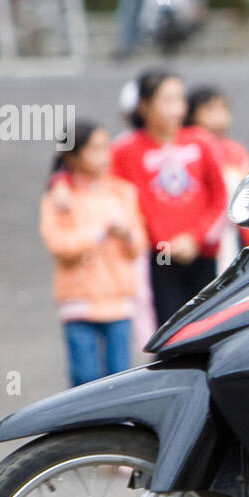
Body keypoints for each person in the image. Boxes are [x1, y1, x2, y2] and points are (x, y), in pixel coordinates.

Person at [111, 70, 227, 327]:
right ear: (144, 106)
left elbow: (220, 196)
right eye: (167, 100)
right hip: (158, 257)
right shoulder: (126, 150)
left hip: (201, 253)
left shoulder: (201, 142)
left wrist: (195, 238)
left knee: (207, 327)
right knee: (169, 329)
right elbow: (105, 189)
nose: (177, 108)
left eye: (180, 99)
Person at [40, 121, 147, 386]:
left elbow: (138, 245)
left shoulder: (122, 192)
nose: (105, 156)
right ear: (73, 156)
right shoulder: (59, 198)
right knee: (84, 378)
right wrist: (98, 233)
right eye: (95, 149)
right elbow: (59, 244)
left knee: (120, 378)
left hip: (119, 301)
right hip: (79, 301)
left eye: (105, 147)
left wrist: (125, 234)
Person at [185, 84, 249, 269]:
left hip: (233, 232)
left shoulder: (236, 151)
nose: (220, 114)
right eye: (210, 108)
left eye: (224, 107)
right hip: (197, 236)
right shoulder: (189, 150)